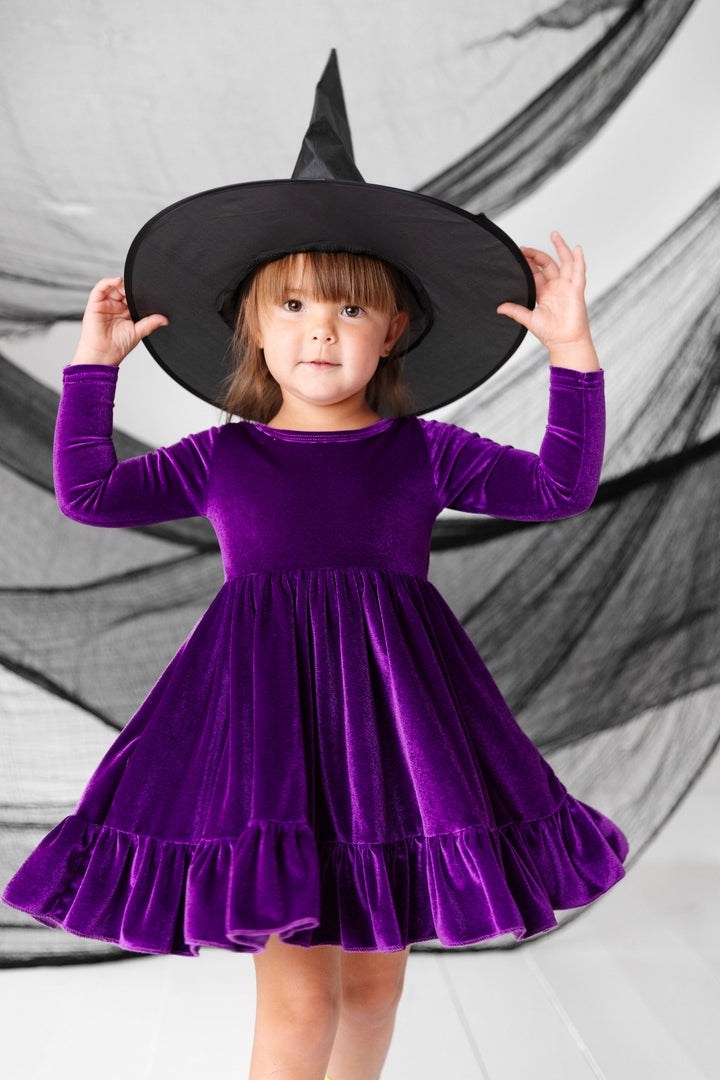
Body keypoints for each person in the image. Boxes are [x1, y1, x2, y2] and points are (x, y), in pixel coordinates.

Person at [2, 52, 628, 1080]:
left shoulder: (424, 449)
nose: (320, 330)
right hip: (264, 738)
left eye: (348, 309)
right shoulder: (225, 455)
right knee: (297, 998)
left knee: (377, 978)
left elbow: (559, 487)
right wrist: (92, 372)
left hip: (396, 735)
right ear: (252, 326)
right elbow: (90, 495)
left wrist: (573, 354)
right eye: (292, 306)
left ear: (394, 333)